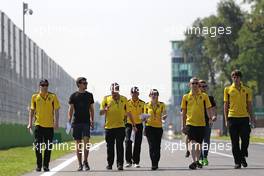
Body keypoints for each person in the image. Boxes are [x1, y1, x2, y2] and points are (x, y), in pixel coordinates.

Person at [224, 70, 256, 169]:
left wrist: (252, 118)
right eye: (233, 77)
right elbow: (225, 105)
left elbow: (249, 105)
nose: (235, 78)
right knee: (235, 142)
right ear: (231, 78)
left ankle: (242, 156)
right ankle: (237, 162)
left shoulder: (247, 90)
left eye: (237, 77)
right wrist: (226, 119)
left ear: (240, 78)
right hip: (232, 118)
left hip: (244, 118)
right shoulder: (227, 89)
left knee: (246, 139)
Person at [28, 79, 60, 172]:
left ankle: (45, 165)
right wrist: (30, 123)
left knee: (48, 147)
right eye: (42, 85)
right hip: (38, 125)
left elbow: (56, 110)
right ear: (39, 86)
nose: (44, 87)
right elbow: (32, 111)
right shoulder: (34, 97)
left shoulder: (53, 96)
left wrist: (56, 122)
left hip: (49, 126)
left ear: (48, 86)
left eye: (46, 85)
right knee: (38, 146)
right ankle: (38, 166)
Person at [181, 77, 212, 170]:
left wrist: (210, 118)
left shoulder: (204, 96)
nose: (194, 85)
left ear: (198, 85)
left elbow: (208, 108)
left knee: (199, 144)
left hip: (201, 123)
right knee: (193, 143)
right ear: (189, 85)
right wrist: (183, 125)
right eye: (193, 83)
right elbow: (184, 112)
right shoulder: (186, 97)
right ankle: (194, 161)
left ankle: (197, 160)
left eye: (196, 83)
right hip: (190, 123)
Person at [100, 83, 130, 171]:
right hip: (109, 127)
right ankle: (110, 164)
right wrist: (105, 109)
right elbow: (101, 112)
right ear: (110, 90)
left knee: (120, 146)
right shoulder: (106, 98)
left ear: (118, 90)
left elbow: (128, 112)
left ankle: (120, 164)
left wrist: (132, 123)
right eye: (112, 90)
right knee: (110, 147)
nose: (114, 91)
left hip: (120, 126)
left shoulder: (124, 99)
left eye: (116, 89)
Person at [68, 77, 95, 171]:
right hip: (76, 123)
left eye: (86, 82)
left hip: (86, 122)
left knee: (86, 142)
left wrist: (92, 120)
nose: (86, 84)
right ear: (79, 84)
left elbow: (91, 109)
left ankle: (85, 162)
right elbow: (70, 110)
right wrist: (69, 121)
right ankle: (79, 164)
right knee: (78, 145)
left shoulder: (89, 95)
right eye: (84, 83)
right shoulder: (73, 96)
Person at [144, 89, 167, 170]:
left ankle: (156, 162)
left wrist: (164, 117)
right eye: (152, 94)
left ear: (158, 95)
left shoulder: (162, 104)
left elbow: (164, 114)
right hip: (149, 127)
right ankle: (153, 163)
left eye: (155, 94)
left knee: (157, 146)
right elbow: (144, 116)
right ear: (149, 96)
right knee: (152, 146)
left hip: (158, 128)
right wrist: (143, 118)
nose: (154, 95)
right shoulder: (146, 105)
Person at [125, 86, 145, 168]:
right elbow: (125, 114)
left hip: (139, 124)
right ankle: (128, 161)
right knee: (128, 141)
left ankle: (136, 161)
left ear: (138, 93)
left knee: (138, 142)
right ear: (130, 94)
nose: (134, 94)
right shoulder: (127, 103)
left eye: (136, 93)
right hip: (129, 124)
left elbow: (144, 115)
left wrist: (144, 118)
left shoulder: (143, 103)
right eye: (133, 93)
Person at [198, 80, 217, 166]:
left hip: (207, 122)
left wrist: (213, 116)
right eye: (201, 86)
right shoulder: (194, 97)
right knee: (198, 142)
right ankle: (200, 158)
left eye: (204, 86)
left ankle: (204, 156)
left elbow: (213, 109)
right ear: (198, 87)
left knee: (206, 141)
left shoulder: (210, 98)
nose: (203, 88)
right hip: (196, 123)